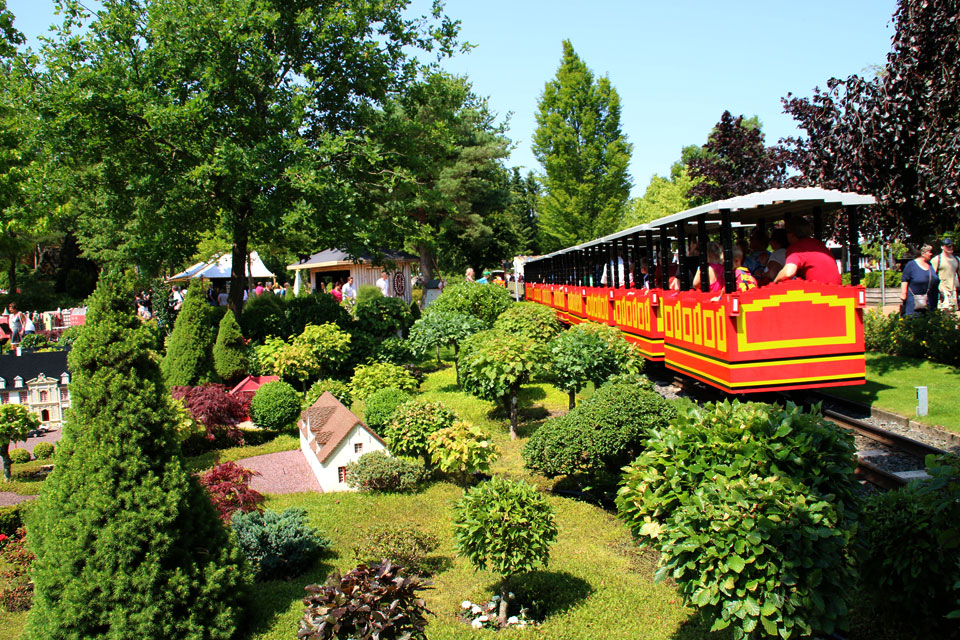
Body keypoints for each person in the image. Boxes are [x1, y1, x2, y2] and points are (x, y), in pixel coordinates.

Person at [773, 219, 841, 285]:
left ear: (792, 234)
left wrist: (774, 283)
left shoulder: (796, 248)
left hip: (820, 292)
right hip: (837, 290)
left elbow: (788, 273)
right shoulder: (818, 243)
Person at [900, 244, 940, 316]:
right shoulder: (911, 265)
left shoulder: (929, 265)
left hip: (929, 302)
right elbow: (904, 279)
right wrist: (903, 294)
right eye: (929, 252)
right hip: (914, 302)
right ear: (923, 253)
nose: (931, 254)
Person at [932, 237, 959, 311]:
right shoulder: (937, 260)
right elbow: (931, 276)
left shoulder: (956, 259)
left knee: (952, 313)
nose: (950, 248)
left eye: (951, 246)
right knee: (942, 312)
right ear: (942, 247)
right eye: (948, 246)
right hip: (942, 291)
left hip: (953, 291)